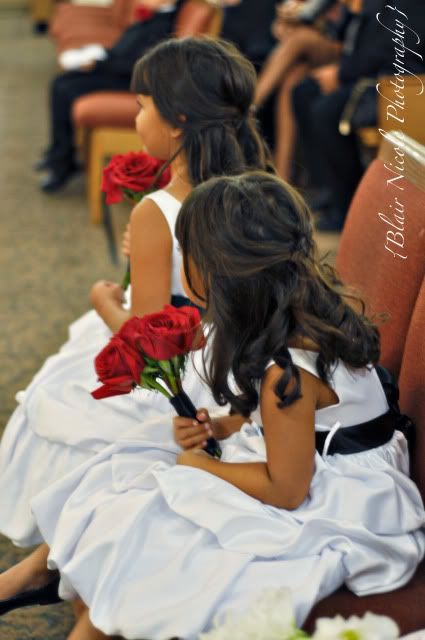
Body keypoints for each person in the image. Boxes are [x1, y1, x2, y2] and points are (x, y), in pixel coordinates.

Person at [4, 172, 424, 639]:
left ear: (215, 272)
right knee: (137, 458)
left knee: (162, 513)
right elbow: (301, 423)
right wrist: (226, 427)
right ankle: (39, 578)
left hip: (339, 501)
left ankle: (77, 606)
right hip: (311, 459)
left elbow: (287, 490)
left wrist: (205, 466)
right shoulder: (295, 314)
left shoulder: (287, 374)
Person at [0, 36, 271, 554]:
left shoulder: (160, 209)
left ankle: (69, 543)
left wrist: (103, 301)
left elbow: (149, 337)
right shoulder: (258, 187)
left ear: (178, 121)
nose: (136, 118)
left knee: (62, 396)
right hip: (243, 356)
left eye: (143, 106)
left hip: (189, 368)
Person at [292, 0, 425, 230]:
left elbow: (388, 49)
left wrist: (341, 74)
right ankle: (328, 188)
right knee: (303, 92)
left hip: (398, 85)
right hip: (366, 76)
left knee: (327, 111)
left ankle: (346, 204)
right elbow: (350, 39)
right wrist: (348, 12)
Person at [36, 0, 179, 193]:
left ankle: (61, 162)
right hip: (118, 68)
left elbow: (140, 63)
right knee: (62, 82)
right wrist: (101, 56)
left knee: (64, 87)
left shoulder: (164, 25)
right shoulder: (155, 16)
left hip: (133, 82)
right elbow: (128, 49)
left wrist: (98, 63)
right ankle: (60, 154)